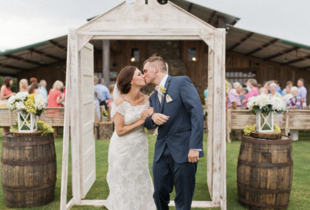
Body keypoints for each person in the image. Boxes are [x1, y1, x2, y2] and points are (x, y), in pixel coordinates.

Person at [143, 55, 204, 210]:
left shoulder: (180, 82)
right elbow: (148, 123)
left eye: (145, 70)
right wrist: (152, 117)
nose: (143, 75)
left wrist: (195, 146)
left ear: (156, 69)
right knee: (159, 192)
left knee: (183, 197)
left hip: (184, 150)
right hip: (161, 151)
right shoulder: (152, 96)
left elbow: (196, 112)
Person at [106, 66, 155, 210]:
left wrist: (152, 117)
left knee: (140, 177)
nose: (143, 76)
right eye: (139, 74)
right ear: (131, 81)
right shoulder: (120, 102)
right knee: (122, 178)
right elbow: (119, 130)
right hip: (121, 147)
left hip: (139, 146)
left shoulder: (148, 100)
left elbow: (151, 129)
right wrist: (141, 120)